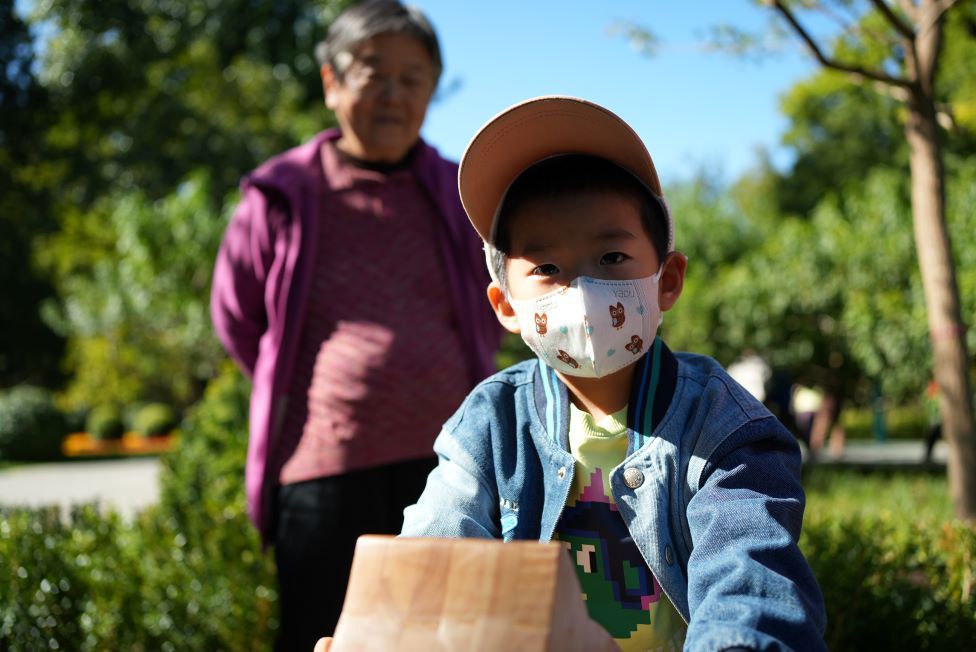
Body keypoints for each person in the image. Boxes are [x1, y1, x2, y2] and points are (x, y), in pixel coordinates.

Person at [400, 96, 827, 650]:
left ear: (667, 279)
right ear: (506, 307)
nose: (581, 293)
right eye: (547, 269)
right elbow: (434, 557)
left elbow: (749, 588)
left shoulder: (726, 429)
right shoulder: (489, 423)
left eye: (611, 260)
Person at [209, 2, 501, 649]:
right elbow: (236, 315)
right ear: (332, 82)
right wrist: (327, 391)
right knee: (328, 636)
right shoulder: (280, 193)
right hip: (321, 478)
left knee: (446, 641)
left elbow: (499, 296)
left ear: (431, 90)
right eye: (374, 72)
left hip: (450, 467)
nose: (394, 93)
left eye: (413, 77)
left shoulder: (462, 192)